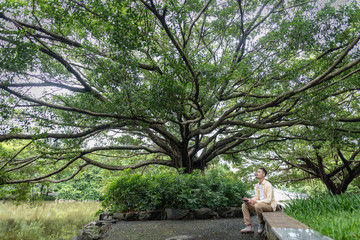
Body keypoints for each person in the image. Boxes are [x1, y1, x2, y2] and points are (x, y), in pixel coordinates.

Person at [240, 168, 277, 234]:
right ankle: (249, 226)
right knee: (244, 205)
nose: (257, 173)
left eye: (259, 172)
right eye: (257, 171)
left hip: (269, 206)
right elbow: (257, 197)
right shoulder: (258, 185)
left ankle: (261, 223)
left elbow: (269, 200)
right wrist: (250, 200)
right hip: (259, 205)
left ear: (264, 175)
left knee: (257, 205)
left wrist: (256, 202)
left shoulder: (268, 185)